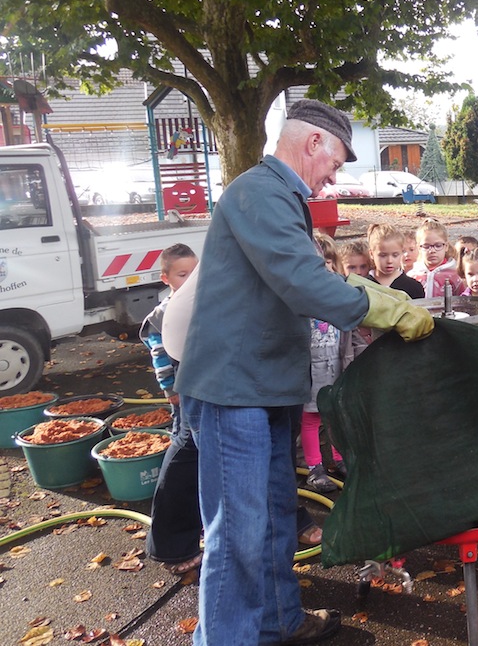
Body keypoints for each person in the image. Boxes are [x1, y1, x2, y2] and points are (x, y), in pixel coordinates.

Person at [173, 99, 434, 646]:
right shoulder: (260, 192)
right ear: (313, 142)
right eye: (335, 163)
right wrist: (383, 310)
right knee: (238, 538)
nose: (333, 177)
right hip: (233, 390)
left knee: (273, 519)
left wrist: (373, 292)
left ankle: (277, 621)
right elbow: (302, 281)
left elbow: (310, 273)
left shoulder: (278, 197)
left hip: (266, 386)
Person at [140, 243, 201, 575]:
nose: (190, 280)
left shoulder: (197, 302)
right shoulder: (164, 313)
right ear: (165, 278)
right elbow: (160, 357)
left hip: (197, 387)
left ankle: (189, 530)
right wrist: (170, 390)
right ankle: (171, 546)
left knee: (193, 452)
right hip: (182, 392)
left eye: (194, 273)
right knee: (185, 447)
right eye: (182, 275)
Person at [301, 234, 351, 492]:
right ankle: (314, 467)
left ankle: (338, 459)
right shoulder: (302, 296)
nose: (325, 266)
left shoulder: (338, 291)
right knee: (311, 418)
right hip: (311, 369)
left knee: (333, 416)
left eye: (329, 261)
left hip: (335, 365)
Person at [408, 219, 465, 296]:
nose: (432, 251)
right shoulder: (413, 275)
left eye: (438, 246)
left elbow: (461, 300)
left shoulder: (455, 275)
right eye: (426, 246)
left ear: (446, 246)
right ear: (419, 248)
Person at [368, 223, 424, 299]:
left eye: (395, 255)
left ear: (402, 252)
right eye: (383, 255)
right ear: (371, 254)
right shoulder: (363, 286)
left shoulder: (414, 287)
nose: (389, 261)